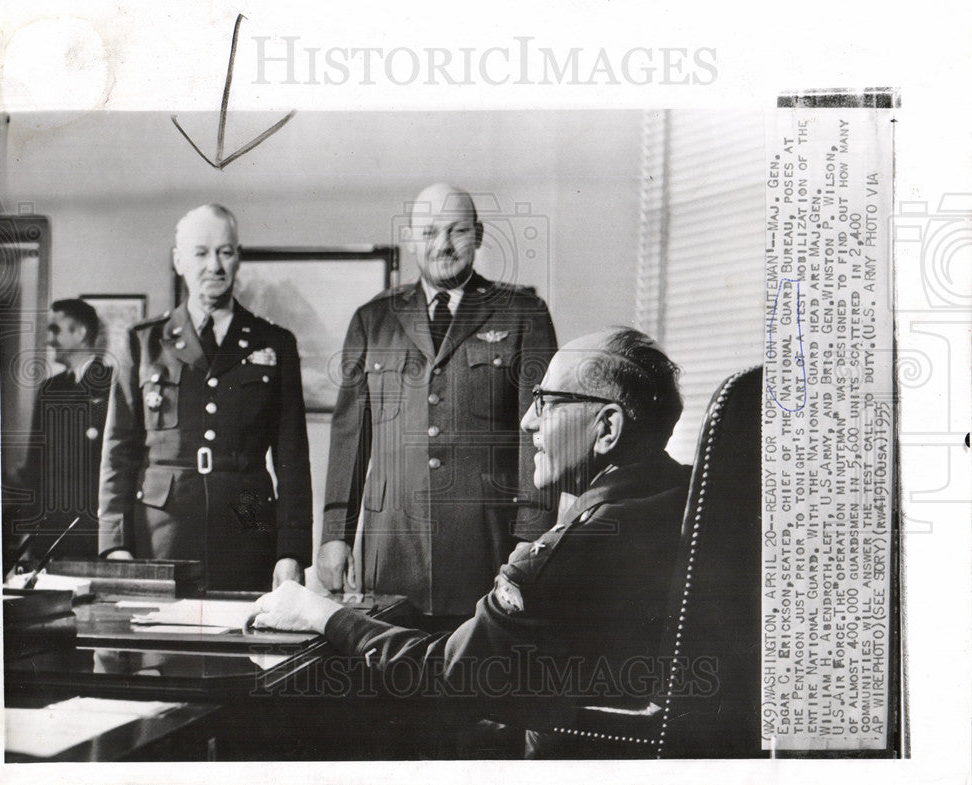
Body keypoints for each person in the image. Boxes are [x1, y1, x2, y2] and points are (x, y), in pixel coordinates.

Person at [253, 328, 692, 755]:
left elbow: (443, 676)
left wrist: (319, 612)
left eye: (548, 402)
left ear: (607, 428)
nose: (527, 420)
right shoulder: (684, 498)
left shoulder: (558, 556)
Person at [319, 183, 558, 620]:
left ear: (479, 235)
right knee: (385, 673)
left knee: (477, 676)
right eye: (429, 233)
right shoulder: (373, 319)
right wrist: (335, 534)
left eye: (457, 231)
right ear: (411, 238)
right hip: (391, 544)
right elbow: (350, 438)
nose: (443, 245)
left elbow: (541, 433)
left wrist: (533, 536)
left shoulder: (522, 314)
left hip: (484, 543)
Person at [97, 204, 312, 591]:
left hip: (249, 523)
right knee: (159, 648)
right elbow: (119, 450)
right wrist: (115, 544)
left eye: (225, 252)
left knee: (244, 642)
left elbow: (292, 457)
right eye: (201, 253)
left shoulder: (274, 343)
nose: (214, 265)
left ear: (238, 258)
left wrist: (291, 551)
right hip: (161, 531)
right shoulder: (143, 342)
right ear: (179, 261)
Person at [7, 299, 112, 563]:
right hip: (48, 531)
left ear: (81, 333)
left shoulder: (112, 385)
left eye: (55, 329)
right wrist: (27, 530)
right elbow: (35, 466)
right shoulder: (50, 388)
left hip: (93, 530)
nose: (48, 340)